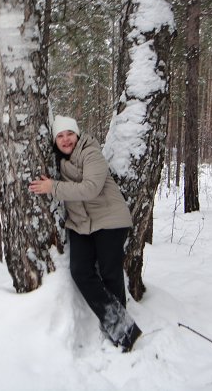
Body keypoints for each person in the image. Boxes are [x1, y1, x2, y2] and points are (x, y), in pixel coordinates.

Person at [28, 115, 142, 352]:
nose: (66, 139)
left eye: (70, 134)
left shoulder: (91, 153)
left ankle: (122, 332)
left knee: (110, 273)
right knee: (80, 271)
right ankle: (119, 324)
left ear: (78, 135)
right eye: (60, 136)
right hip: (81, 224)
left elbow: (91, 188)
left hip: (110, 219)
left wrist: (53, 187)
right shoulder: (58, 161)